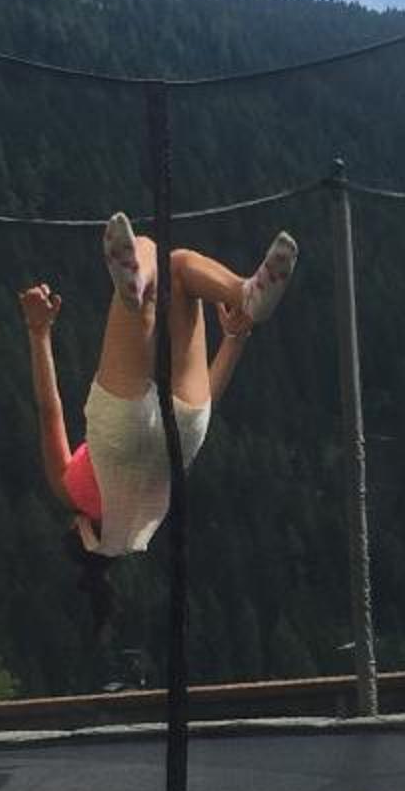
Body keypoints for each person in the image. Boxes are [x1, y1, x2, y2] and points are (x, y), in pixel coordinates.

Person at [19, 212, 295, 579]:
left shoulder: (151, 516)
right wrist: (38, 331)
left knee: (178, 274)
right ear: (77, 527)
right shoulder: (68, 493)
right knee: (157, 255)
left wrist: (234, 338)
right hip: (117, 431)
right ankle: (164, 284)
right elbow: (48, 408)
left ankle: (248, 299)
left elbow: (206, 400)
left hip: (186, 430)